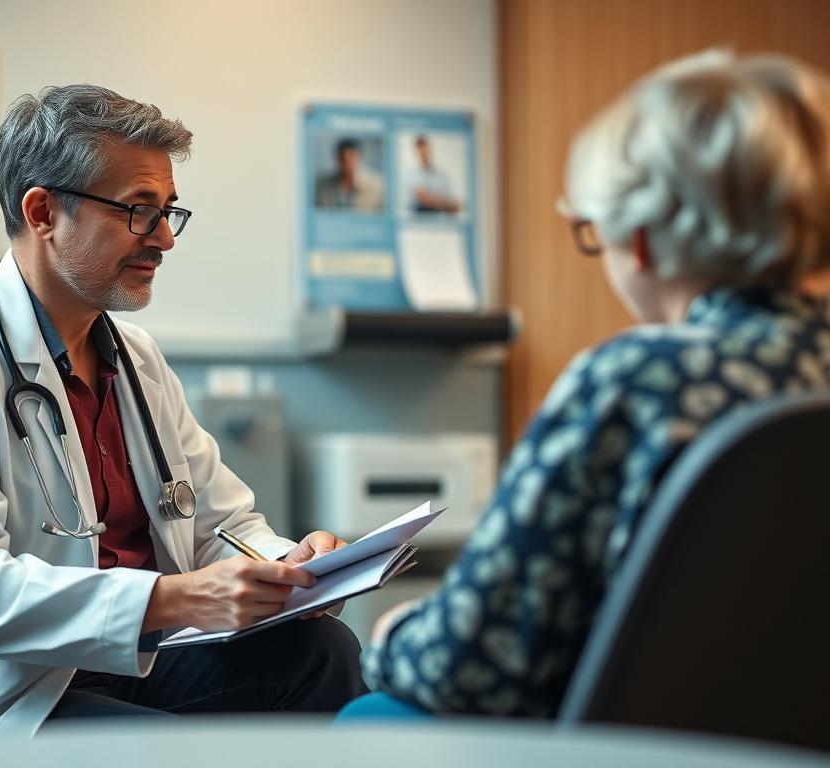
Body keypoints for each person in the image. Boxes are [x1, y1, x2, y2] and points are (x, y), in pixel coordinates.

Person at [0, 84, 365, 744]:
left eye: (168, 212)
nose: (164, 241)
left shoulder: (135, 359)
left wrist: (290, 567)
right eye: (138, 211)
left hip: (125, 661)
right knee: (163, 748)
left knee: (325, 655)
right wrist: (178, 599)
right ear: (42, 213)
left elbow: (221, 523)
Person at [352, 50, 830, 718]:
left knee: (374, 715)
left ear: (638, 241)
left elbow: (473, 670)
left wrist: (394, 633)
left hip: (649, 747)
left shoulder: (635, 381)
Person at [315, 137, 384, 211]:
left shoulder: (375, 185)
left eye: (351, 157)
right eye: (342, 158)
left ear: (360, 157)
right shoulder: (322, 185)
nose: (347, 163)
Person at [406, 135, 461, 214]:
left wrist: (449, 203)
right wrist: (446, 202)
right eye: (421, 151)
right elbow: (423, 198)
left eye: (426, 149)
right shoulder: (411, 173)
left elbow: (454, 204)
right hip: (418, 222)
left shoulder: (442, 174)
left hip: (441, 221)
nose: (424, 154)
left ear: (430, 148)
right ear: (416, 151)